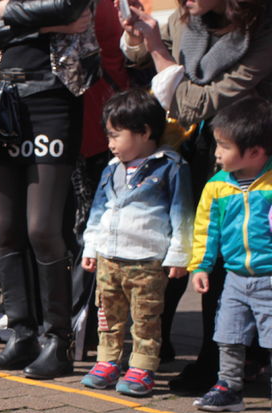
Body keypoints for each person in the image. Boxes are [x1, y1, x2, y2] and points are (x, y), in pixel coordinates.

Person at [122, 0, 272, 392]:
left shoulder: (263, 29)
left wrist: (157, 49)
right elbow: (141, 55)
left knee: (230, 257)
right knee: (189, 245)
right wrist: (139, 36)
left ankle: (219, 361)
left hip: (249, 159)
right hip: (195, 149)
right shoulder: (188, 19)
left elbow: (198, 102)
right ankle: (173, 348)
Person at [0, 0, 99, 379]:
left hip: (53, 100)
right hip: (4, 102)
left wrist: (10, 13)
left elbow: (70, 10)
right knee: (6, 229)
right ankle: (22, 334)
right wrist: (45, 27)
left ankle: (57, 340)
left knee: (43, 229)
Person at [80, 89, 192, 397]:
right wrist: (91, 248)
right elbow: (97, 212)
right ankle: (107, 361)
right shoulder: (111, 169)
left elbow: (182, 213)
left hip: (146, 259)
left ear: (144, 132)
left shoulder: (171, 166)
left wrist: (179, 256)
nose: (110, 144)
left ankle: (142, 367)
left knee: (146, 317)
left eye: (116, 135)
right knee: (108, 314)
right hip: (109, 258)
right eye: (109, 136)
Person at [187, 97, 272, 413]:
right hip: (236, 276)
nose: (216, 153)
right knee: (228, 333)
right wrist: (201, 265)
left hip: (268, 277)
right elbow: (206, 229)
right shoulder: (217, 187)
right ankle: (228, 387)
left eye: (223, 146)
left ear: (254, 152)